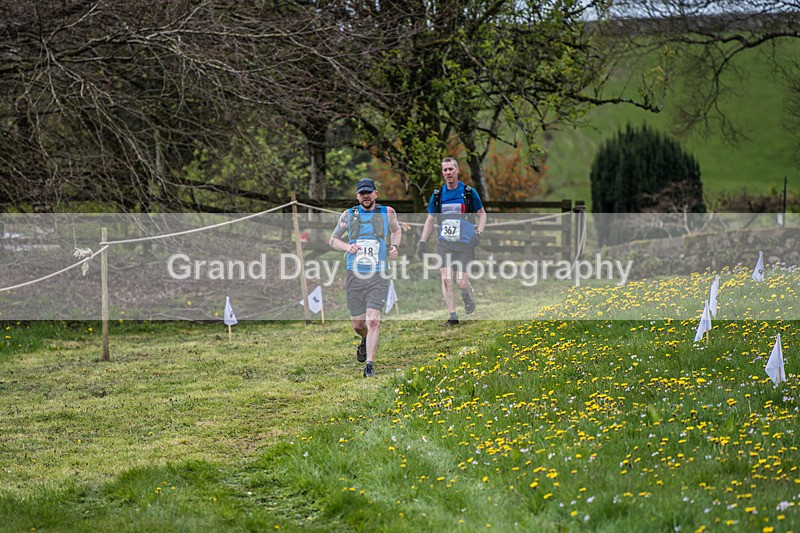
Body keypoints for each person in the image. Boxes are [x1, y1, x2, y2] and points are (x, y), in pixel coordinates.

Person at [329, 178, 402, 377]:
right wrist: (347, 247)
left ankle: (369, 365)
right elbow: (333, 240)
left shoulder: (387, 213)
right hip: (355, 273)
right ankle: (364, 339)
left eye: (369, 192)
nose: (366, 196)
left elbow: (396, 230)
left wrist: (394, 246)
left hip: (378, 274)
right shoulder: (349, 215)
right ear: (357, 196)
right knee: (358, 324)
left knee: (373, 321)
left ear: (376, 194)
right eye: (362, 193)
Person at [417, 157, 487, 326]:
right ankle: (453, 315)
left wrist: (478, 233)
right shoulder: (438, 195)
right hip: (445, 243)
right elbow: (430, 219)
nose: (448, 172)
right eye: (445, 170)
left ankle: (467, 294)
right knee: (446, 278)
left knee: (461, 282)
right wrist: (422, 242)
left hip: (465, 244)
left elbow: (482, 214)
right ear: (442, 173)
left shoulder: (469, 193)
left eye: (451, 169)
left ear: (457, 170)